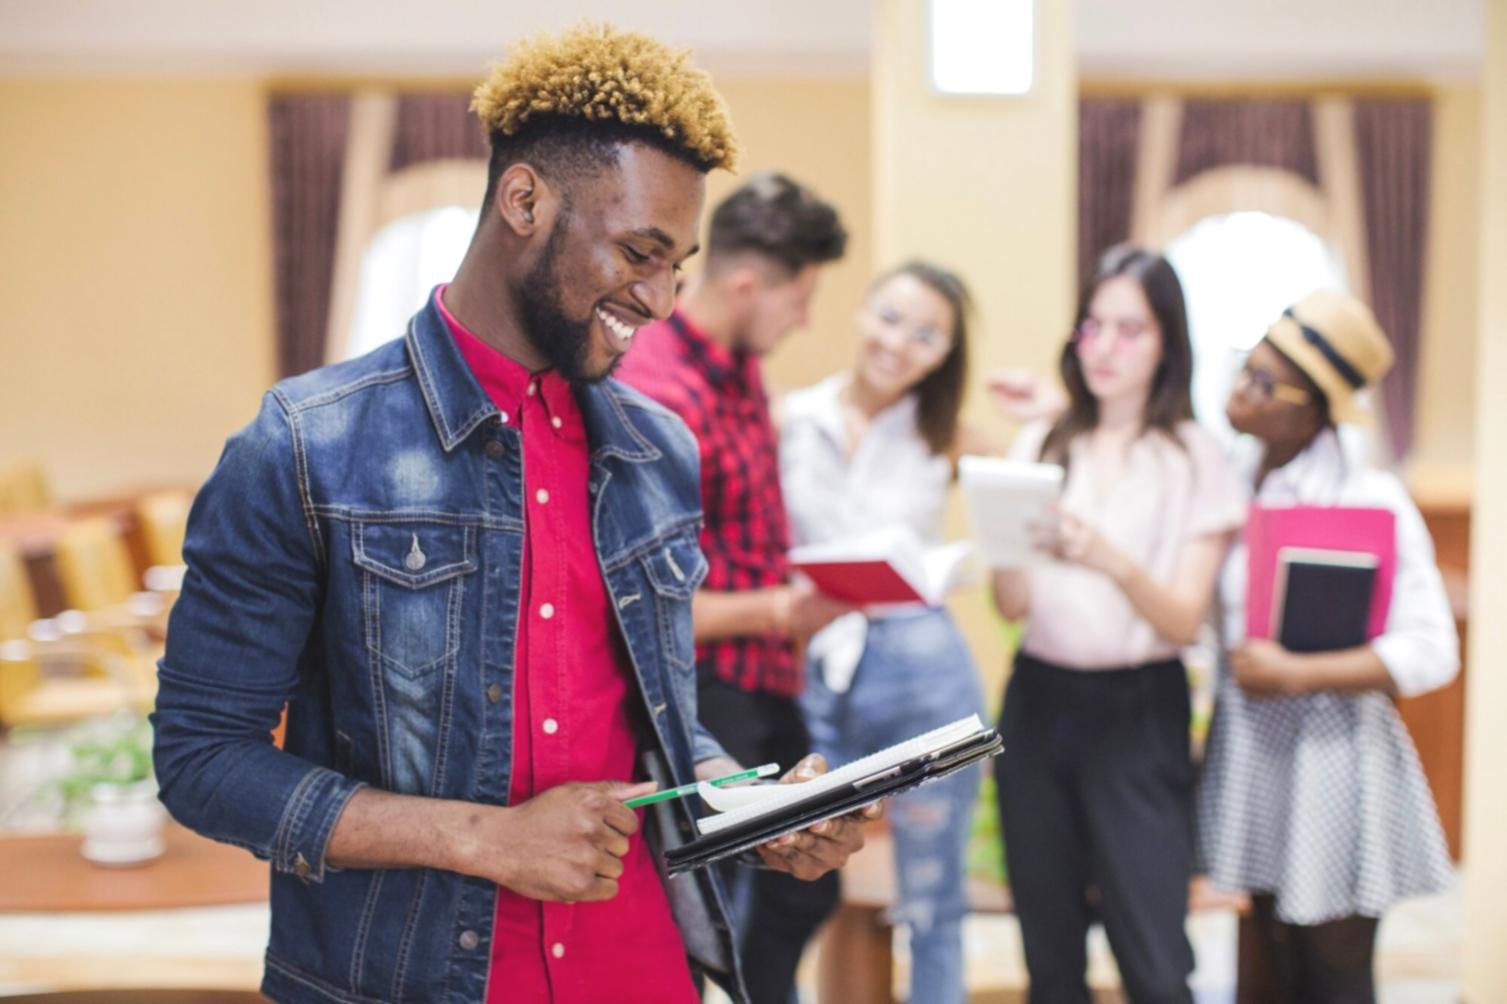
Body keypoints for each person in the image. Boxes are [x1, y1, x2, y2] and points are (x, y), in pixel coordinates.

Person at [151, 26, 867, 1004]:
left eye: (678, 265)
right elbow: (201, 760)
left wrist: (744, 801)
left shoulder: (659, 451)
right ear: (524, 201)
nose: (661, 300)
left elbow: (655, 722)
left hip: (644, 973)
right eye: (639, 253)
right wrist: (483, 839)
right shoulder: (305, 444)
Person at [615, 172, 855, 1004]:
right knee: (703, 908)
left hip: (763, 676)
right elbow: (644, 601)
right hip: (705, 686)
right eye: (800, 299)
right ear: (747, 285)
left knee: (807, 879)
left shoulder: (742, 368)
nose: (805, 321)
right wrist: (781, 609)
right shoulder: (658, 392)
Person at [990, 245, 1246, 1004]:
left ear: (1167, 342)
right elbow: (1011, 604)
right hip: (1037, 702)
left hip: (1139, 710)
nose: (1104, 347)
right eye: (1092, 326)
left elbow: (1184, 618)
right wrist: (1005, 541)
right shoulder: (1044, 442)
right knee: (1050, 961)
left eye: (1130, 330)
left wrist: (1105, 556)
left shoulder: (1194, 456)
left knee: (1156, 964)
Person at [1197, 290, 1457, 1003]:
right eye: (1244, 368)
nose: (1240, 390)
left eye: (1264, 383)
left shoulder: (1367, 498)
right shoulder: (1228, 480)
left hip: (1334, 755)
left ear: (1311, 410)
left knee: (1333, 967)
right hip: (1253, 747)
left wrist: (1297, 672)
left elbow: (1433, 649)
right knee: (1269, 957)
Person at [778, 261, 987, 1004]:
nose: (900, 343)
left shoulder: (946, 433)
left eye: (926, 335)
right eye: (891, 318)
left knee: (932, 896)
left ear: (944, 355)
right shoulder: (793, 418)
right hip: (814, 665)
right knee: (791, 879)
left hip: (922, 667)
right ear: (862, 311)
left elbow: (1040, 479)